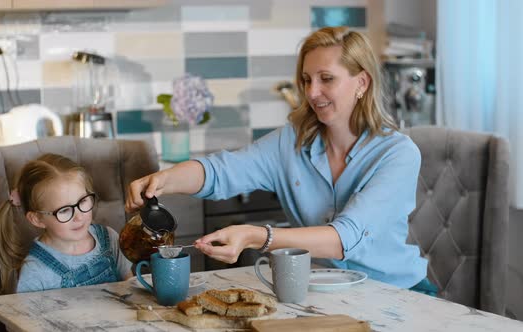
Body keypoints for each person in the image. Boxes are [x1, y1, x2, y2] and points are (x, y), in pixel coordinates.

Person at [126, 26, 435, 294]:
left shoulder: (398, 154)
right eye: (306, 80)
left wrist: (255, 235)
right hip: (320, 291)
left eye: (326, 78)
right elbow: (221, 172)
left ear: (362, 83)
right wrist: (164, 179)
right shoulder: (291, 142)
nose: (313, 93)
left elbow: (344, 238)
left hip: (397, 293)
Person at [0, 153, 132, 294]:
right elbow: (29, 316)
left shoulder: (110, 239)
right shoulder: (35, 271)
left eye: (83, 201)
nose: (78, 217)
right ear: (37, 219)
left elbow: (130, 288)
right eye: (64, 210)